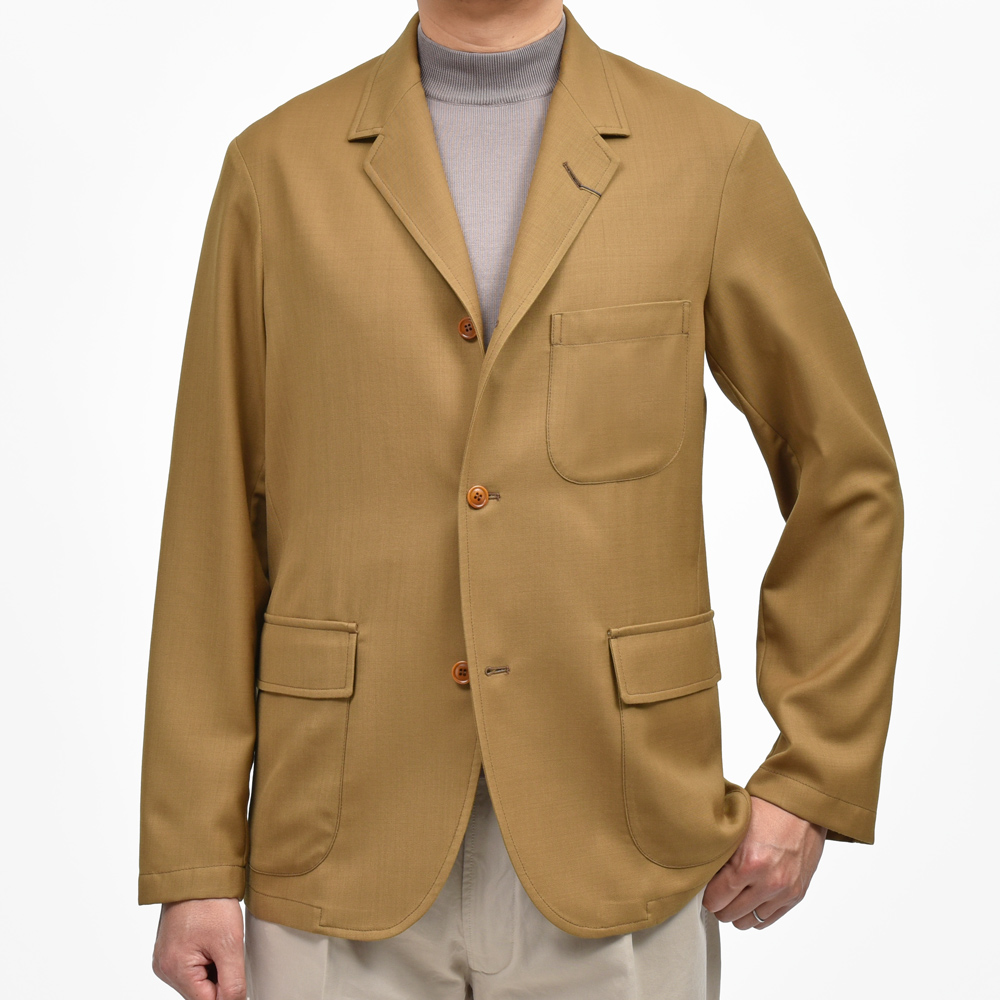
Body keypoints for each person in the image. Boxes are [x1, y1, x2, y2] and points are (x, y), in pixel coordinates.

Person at [139, 2, 904, 998]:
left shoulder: (707, 159)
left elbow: (847, 474)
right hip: (337, 835)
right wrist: (195, 861)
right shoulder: (275, 171)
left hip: (624, 825)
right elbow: (210, 522)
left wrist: (812, 776)